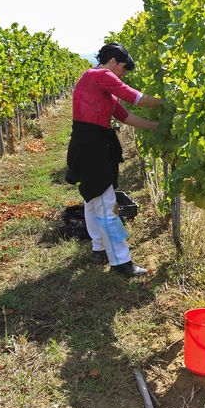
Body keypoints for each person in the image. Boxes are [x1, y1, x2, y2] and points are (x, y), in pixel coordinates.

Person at [66, 43, 164, 276]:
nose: (123, 74)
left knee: (93, 200)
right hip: (92, 147)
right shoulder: (100, 75)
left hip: (90, 144)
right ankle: (121, 262)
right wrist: (167, 103)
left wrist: (155, 126)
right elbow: (135, 98)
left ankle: (99, 248)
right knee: (106, 202)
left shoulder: (98, 84)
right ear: (112, 61)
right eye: (123, 68)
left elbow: (124, 116)